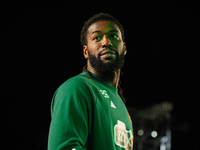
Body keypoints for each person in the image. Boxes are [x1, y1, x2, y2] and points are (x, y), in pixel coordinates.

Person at [48, 13, 134, 150]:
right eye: (97, 37)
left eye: (113, 36)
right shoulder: (76, 88)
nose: (106, 42)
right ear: (86, 52)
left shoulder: (120, 102)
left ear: (124, 48)